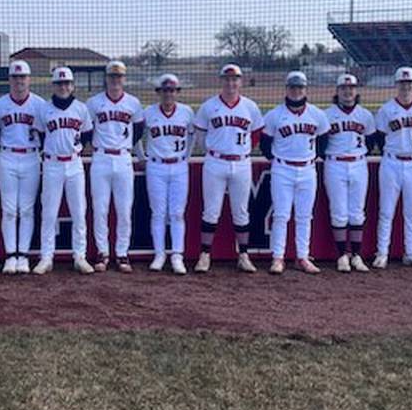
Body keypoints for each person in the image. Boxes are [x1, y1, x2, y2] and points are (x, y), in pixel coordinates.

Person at [192, 63, 264, 273]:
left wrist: (242, 150)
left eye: (235, 79)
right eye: (227, 79)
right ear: (221, 81)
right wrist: (215, 149)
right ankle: (205, 255)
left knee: (241, 211)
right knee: (211, 211)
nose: (231, 83)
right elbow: (200, 135)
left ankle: (243, 255)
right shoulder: (209, 106)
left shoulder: (250, 106)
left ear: (240, 82)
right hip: (216, 162)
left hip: (241, 163)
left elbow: (256, 134)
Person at [259, 71, 330, 274]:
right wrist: (277, 159)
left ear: (305, 89)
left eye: (300, 87)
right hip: (283, 168)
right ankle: (278, 257)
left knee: (304, 216)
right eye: (292, 87)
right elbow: (265, 144)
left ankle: (302, 257)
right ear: (287, 89)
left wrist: (314, 156)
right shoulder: (274, 115)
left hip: (307, 169)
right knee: (281, 215)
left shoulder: (317, 114)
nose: (296, 91)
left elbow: (323, 140)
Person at [85, 60, 145, 272]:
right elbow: (86, 130)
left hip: (123, 158)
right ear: (106, 78)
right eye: (112, 76)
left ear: (124, 79)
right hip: (101, 157)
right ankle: (102, 252)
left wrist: (138, 155)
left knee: (124, 209)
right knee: (100, 209)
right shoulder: (93, 103)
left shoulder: (133, 103)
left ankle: (122, 253)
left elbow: (138, 132)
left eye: (119, 76)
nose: (115, 80)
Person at [35, 67, 95, 275]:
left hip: (74, 163)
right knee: (49, 213)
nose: (63, 87)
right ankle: (46, 257)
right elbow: (40, 135)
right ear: (54, 86)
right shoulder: (44, 109)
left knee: (79, 212)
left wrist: (75, 149)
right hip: (52, 164)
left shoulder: (81, 108)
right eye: (60, 83)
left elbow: (87, 134)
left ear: (72, 85)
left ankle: (80, 256)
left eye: (67, 83)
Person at [373, 66, 412, 270]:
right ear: (396, 85)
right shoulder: (386, 110)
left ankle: (411, 252)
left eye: (409, 83)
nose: (406, 87)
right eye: (402, 83)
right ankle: (382, 252)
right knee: (386, 211)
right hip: (391, 162)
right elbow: (379, 138)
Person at [0, 60, 46, 275]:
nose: (19, 81)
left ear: (29, 79)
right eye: (15, 77)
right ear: (9, 80)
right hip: (7, 156)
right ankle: (10, 255)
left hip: (31, 157)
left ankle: (22, 255)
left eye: (22, 77)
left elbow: (45, 134)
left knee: (26, 209)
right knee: (8, 209)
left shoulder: (40, 105)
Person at [140, 74, 193, 275]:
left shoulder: (186, 112)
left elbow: (192, 136)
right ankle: (160, 254)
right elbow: (137, 136)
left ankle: (177, 255)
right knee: (158, 212)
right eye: (165, 91)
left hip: (179, 166)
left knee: (177, 213)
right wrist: (141, 157)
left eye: (172, 90)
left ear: (177, 92)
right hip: (156, 166)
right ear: (159, 92)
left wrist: (186, 157)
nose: (168, 94)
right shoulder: (149, 112)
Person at [324, 74, 377, 273]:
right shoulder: (327, 114)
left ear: (356, 91)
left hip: (358, 164)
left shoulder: (365, 115)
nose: (348, 92)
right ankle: (341, 256)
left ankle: (356, 255)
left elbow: (371, 141)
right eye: (344, 88)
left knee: (357, 212)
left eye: (351, 88)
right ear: (337, 91)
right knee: (339, 212)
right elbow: (321, 143)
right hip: (335, 164)